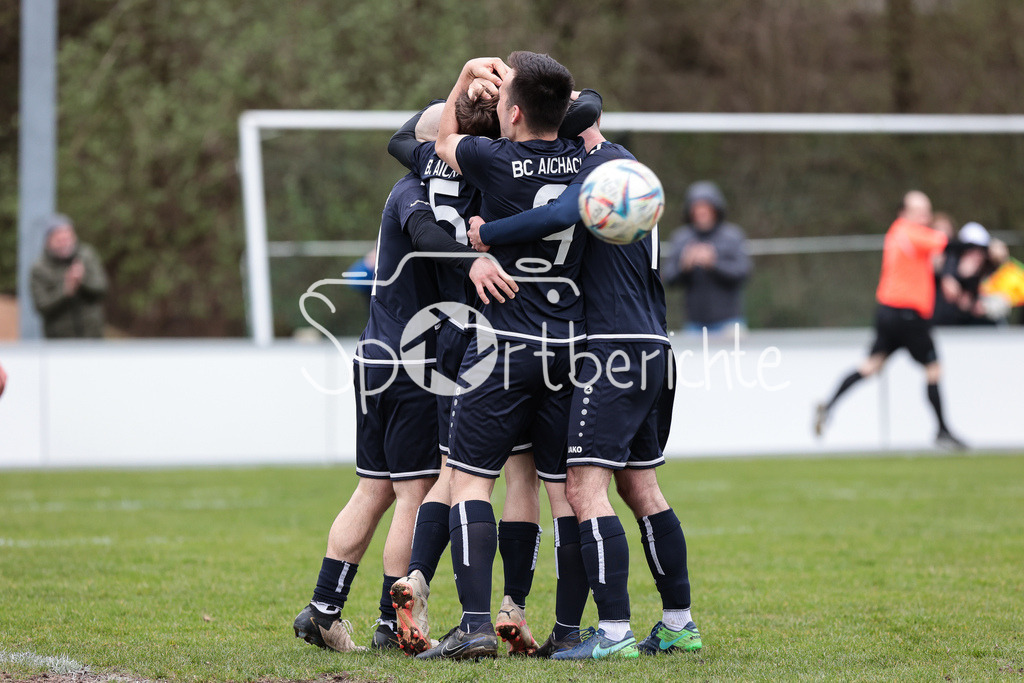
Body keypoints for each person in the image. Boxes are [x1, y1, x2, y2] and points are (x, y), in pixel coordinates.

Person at [470, 112, 701, 660]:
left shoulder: (601, 171)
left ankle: (614, 634)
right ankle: (677, 624)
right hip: (653, 343)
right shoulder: (629, 166)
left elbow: (552, 213)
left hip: (614, 346)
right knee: (639, 487)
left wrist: (486, 235)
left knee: (583, 489)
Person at [410, 52, 589, 661]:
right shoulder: (584, 160)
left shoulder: (494, 158)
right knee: (560, 489)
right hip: (568, 344)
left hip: (505, 343)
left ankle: (476, 625)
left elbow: (441, 138)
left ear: (511, 112)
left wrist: (463, 76)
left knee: (468, 480)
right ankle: (566, 628)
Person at [292, 170, 517, 652]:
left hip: (372, 353)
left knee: (372, 489)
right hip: (412, 360)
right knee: (414, 493)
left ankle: (324, 608)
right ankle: (391, 625)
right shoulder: (435, 196)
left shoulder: (402, 187)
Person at [814, 190, 967, 450]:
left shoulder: (903, 235)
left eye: (926, 211)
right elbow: (948, 244)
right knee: (933, 369)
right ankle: (942, 430)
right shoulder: (909, 231)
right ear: (903, 213)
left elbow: (932, 264)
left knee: (871, 366)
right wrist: (984, 247)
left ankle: (829, 405)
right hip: (907, 313)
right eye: (919, 211)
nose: (924, 216)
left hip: (889, 312)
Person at [662, 182, 751, 337]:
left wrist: (714, 264)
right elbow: (668, 278)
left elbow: (743, 272)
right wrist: (684, 266)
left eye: (706, 207)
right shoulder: (681, 238)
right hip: (694, 325)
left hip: (729, 323)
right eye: (697, 208)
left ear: (716, 209)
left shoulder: (732, 236)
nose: (701, 212)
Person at [30, 214, 107, 339]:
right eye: (59, 240)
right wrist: (65, 290)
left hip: (92, 338)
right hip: (60, 342)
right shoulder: (39, 268)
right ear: (48, 241)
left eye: (67, 238)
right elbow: (41, 306)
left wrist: (82, 281)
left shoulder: (87, 256)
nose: (64, 243)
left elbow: (102, 289)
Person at [935, 222, 1010, 326]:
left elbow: (1003, 299)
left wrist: (984, 307)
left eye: (980, 251)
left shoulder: (987, 272)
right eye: (971, 251)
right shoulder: (947, 269)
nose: (976, 256)